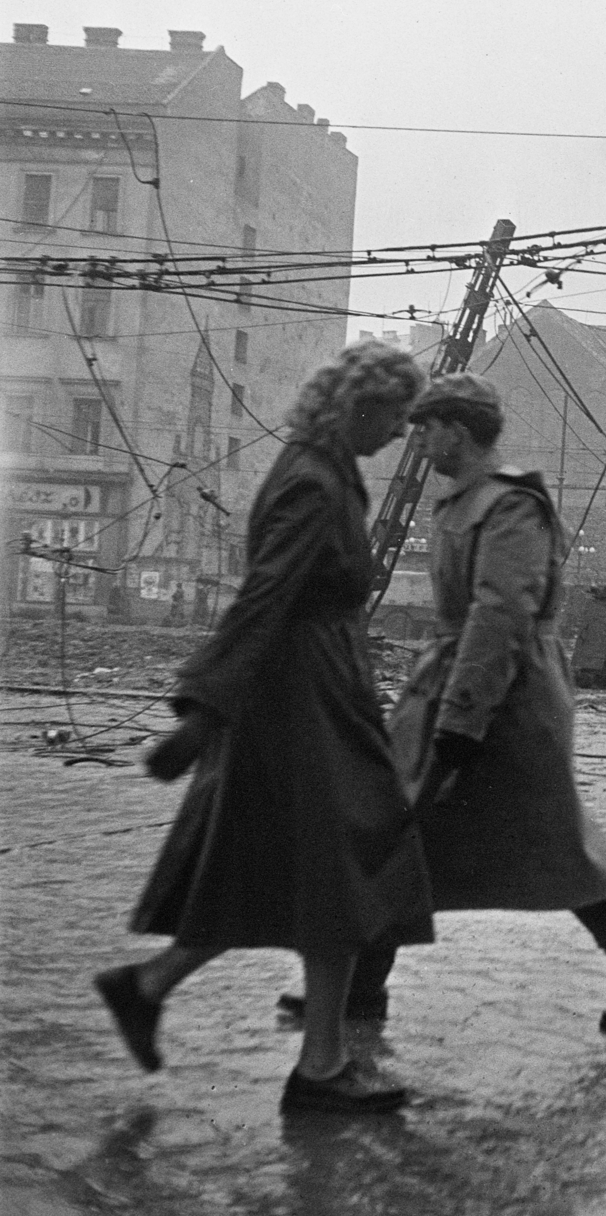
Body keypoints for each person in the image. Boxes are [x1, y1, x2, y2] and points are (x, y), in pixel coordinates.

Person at [280, 374, 606, 1036]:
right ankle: (358, 985)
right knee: (394, 826)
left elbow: (502, 615)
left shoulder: (510, 506)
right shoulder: (460, 502)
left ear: (458, 431)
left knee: (557, 846)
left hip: (510, 704)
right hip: (455, 684)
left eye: (428, 425)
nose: (419, 437)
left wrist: (461, 719)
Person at [93, 340, 434, 1114]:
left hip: (318, 692)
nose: (396, 433)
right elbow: (263, 595)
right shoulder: (315, 483)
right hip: (304, 702)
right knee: (347, 868)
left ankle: (155, 990)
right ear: (358, 407)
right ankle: (316, 1065)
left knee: (299, 871)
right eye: (393, 416)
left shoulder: (320, 470)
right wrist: (201, 710)